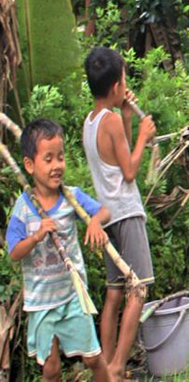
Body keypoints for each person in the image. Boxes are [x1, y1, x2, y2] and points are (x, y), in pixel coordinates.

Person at [5, 119, 112, 381]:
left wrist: (95, 224)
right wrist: (36, 236)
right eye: (48, 159)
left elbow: (103, 211)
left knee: (93, 358)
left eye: (60, 157)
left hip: (73, 295)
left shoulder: (71, 198)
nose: (57, 166)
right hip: (41, 302)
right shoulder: (23, 209)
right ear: (30, 165)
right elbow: (14, 253)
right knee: (50, 368)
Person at [83, 47, 157, 381]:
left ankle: (106, 364)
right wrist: (143, 135)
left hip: (108, 215)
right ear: (115, 86)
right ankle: (117, 366)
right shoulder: (109, 121)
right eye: (124, 77)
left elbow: (116, 156)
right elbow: (129, 171)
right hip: (126, 213)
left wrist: (128, 117)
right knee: (138, 289)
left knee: (115, 292)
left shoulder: (94, 121)